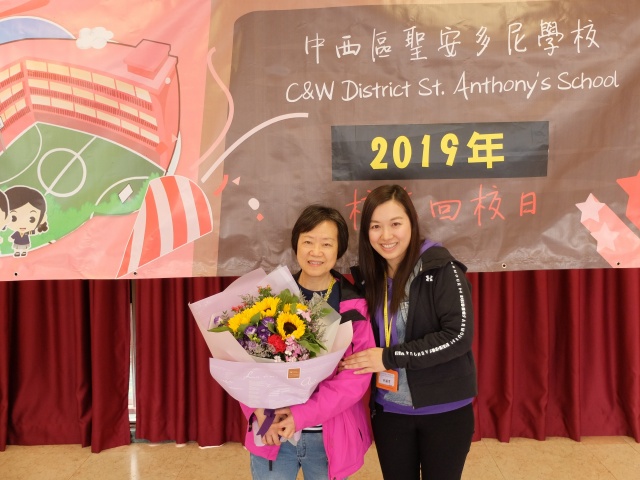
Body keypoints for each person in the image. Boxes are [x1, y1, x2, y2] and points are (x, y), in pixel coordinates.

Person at [341, 184, 477, 480]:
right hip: (390, 410)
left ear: (412, 224)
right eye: (375, 226)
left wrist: (389, 357)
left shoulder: (442, 269)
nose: (386, 236)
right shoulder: (368, 278)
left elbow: (458, 337)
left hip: (444, 409)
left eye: (395, 224)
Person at [240, 204, 376, 480]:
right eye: (308, 242)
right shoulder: (269, 297)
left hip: (329, 438)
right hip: (273, 431)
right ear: (296, 245)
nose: (316, 252)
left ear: (339, 250)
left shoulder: (353, 305)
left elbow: (356, 378)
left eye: (326, 244)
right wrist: (261, 413)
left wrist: (301, 415)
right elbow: (243, 363)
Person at [5, 185, 49, 257]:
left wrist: (38, 231)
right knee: (17, 248)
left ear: (42, 218)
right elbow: (12, 237)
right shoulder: (18, 233)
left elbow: (34, 232)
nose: (22, 223)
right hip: (17, 245)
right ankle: (17, 252)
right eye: (13, 218)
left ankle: (23, 252)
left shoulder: (27, 232)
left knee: (24, 248)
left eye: (32, 219)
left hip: (26, 245)